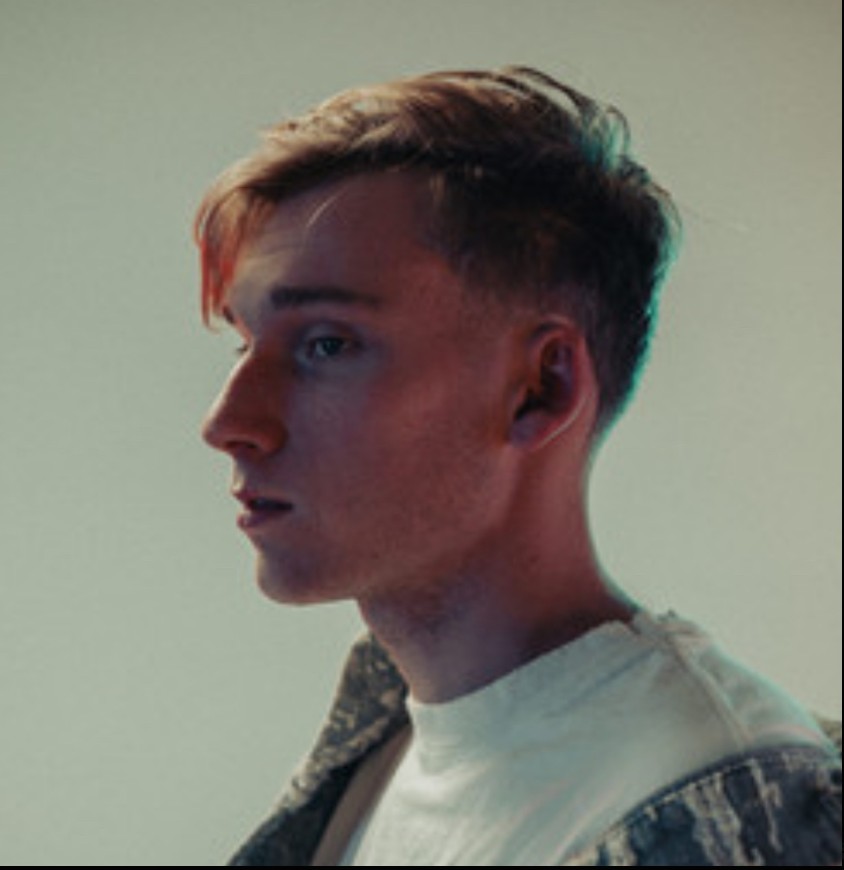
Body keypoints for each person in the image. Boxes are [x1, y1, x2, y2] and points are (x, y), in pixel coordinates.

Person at [195, 67, 841, 866]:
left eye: (327, 344)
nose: (228, 424)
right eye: (244, 343)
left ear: (542, 388)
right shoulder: (381, 743)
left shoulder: (726, 807)